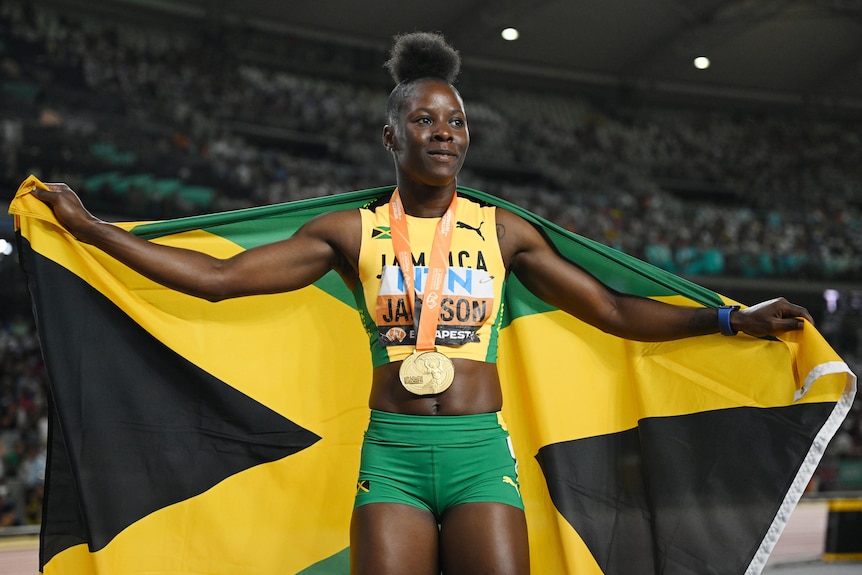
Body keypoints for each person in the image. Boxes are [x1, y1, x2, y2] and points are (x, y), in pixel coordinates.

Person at [30, 31, 812, 575]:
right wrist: (93, 231)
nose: (444, 131)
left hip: (479, 456)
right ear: (392, 136)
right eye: (425, 119)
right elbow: (221, 278)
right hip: (393, 460)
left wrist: (726, 318)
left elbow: (609, 310)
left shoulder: (503, 233)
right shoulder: (351, 232)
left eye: (456, 121)